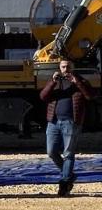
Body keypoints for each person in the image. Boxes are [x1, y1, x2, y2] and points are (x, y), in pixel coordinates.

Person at [40, 59, 98, 196]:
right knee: (51, 152)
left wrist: (76, 81)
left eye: (68, 67)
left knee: (68, 154)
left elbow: (90, 96)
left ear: (73, 68)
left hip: (71, 122)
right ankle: (70, 175)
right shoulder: (55, 82)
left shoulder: (80, 81)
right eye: (63, 67)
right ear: (59, 68)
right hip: (53, 122)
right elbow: (43, 96)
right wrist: (52, 82)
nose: (65, 69)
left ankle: (65, 184)